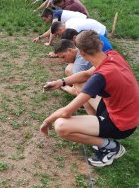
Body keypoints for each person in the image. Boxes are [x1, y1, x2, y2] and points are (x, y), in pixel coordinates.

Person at [40, 30, 139, 167]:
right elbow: (86, 74)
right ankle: (97, 127)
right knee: (79, 83)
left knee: (61, 126)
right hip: (124, 112)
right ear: (100, 44)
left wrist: (47, 121)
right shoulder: (112, 55)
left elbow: (66, 112)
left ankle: (111, 147)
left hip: (121, 125)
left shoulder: (100, 77)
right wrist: (61, 82)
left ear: (82, 53)